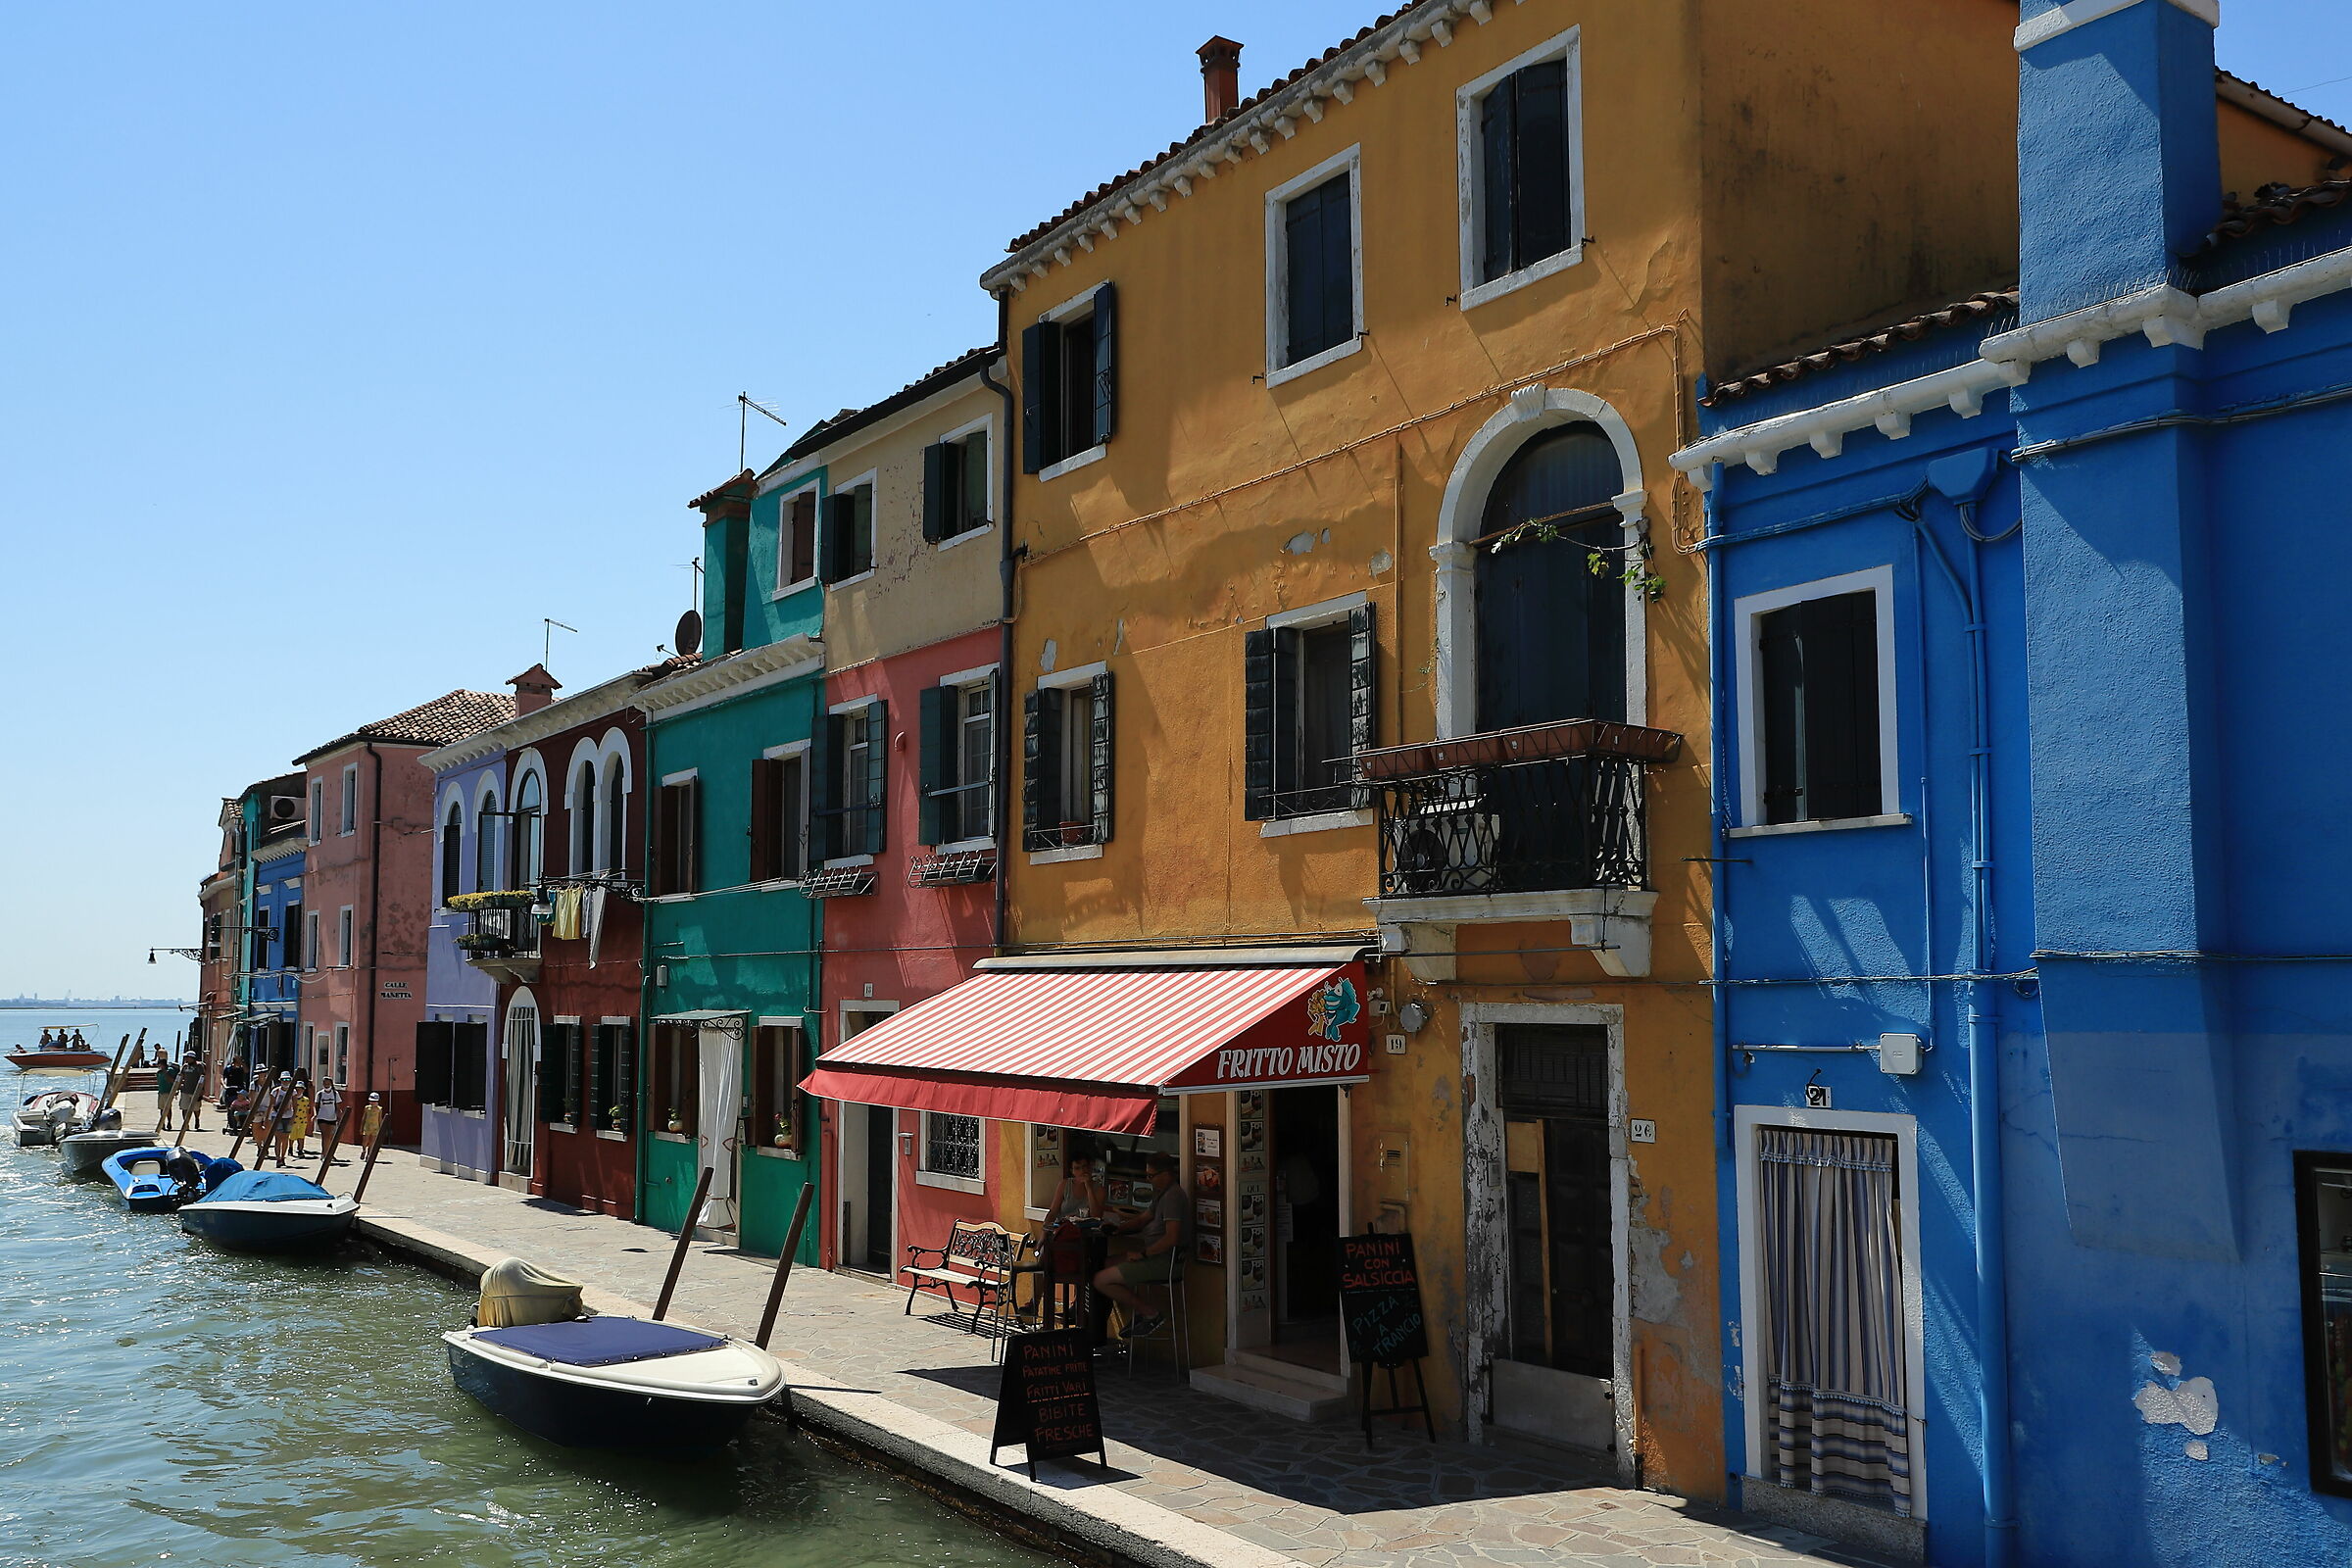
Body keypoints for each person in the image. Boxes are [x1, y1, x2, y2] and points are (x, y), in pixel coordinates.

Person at [1093, 1152, 1189, 1343]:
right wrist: (1118, 1229)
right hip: (1152, 1257)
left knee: (1100, 1280)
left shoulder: (1173, 1197)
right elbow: (1142, 1220)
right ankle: (1099, 1322)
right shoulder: (1162, 1194)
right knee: (1103, 1263)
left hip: (1164, 1261)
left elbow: (1172, 1237)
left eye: (1151, 1176)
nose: (1148, 1180)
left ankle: (1150, 1314)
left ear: (1167, 1174)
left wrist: (1143, 1254)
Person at [1044, 1146, 1107, 1227]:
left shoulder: (1099, 1189)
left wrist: (1089, 1188)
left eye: (1084, 1167)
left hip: (1087, 1232)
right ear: (1072, 1171)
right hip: (1064, 1230)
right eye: (1077, 1168)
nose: (1082, 1171)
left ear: (1090, 1167)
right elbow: (1053, 1212)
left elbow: (1097, 1216)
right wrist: (1044, 1232)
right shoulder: (1064, 1185)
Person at [314, 1079, 343, 1161]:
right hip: (322, 1117)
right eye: (325, 1083)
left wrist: (339, 1116)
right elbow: (315, 1105)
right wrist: (315, 1114)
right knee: (325, 1136)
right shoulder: (319, 1094)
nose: (326, 1085)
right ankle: (325, 1155)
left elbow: (338, 1106)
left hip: (332, 1117)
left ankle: (328, 1153)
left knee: (330, 1137)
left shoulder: (335, 1094)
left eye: (328, 1083)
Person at [176, 1055, 206, 1133]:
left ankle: (197, 1119)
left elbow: (202, 1077)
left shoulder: (199, 1066)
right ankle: (186, 1123)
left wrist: (201, 1090)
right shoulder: (185, 1066)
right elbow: (181, 1076)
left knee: (196, 1108)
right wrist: (177, 1088)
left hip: (195, 1090)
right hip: (185, 1090)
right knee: (184, 1107)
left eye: (188, 1057)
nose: (186, 1059)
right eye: (186, 1057)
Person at [288, 1081, 315, 1161]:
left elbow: (307, 1110)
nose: (299, 1091)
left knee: (301, 1136)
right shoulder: (292, 1099)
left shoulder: (306, 1100)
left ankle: (300, 1149)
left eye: (300, 1089)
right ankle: (290, 1147)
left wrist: (307, 1119)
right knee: (292, 1136)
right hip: (293, 1120)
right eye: (297, 1089)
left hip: (302, 1120)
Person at [154, 1054, 178, 1133]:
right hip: (161, 1092)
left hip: (168, 1092)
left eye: (159, 1064)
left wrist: (166, 1073)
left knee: (168, 1108)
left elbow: (172, 1080)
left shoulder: (169, 1070)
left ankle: (169, 1122)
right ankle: (162, 1123)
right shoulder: (159, 1073)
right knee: (161, 1108)